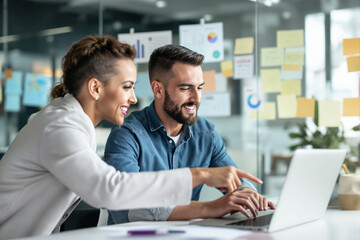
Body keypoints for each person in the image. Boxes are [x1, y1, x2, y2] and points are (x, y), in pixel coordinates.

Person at [0, 36, 263, 239]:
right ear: (95, 88)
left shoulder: (73, 123)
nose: (134, 98)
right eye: (127, 87)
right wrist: (200, 176)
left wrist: (248, 196)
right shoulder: (60, 126)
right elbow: (110, 190)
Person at [105, 44, 275, 225]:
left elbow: (234, 179)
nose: (196, 98)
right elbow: (126, 208)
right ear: (158, 90)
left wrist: (246, 193)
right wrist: (210, 208)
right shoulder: (126, 134)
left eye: (200, 87)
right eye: (186, 88)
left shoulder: (205, 133)